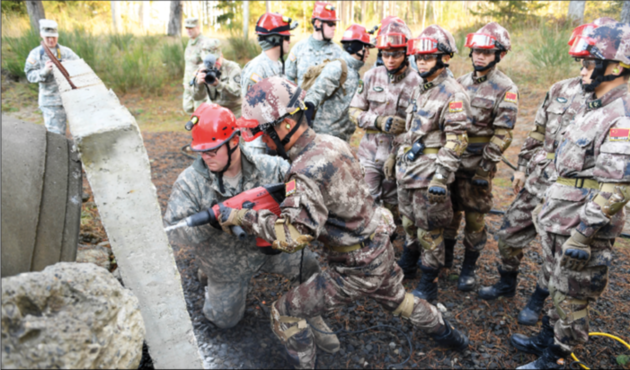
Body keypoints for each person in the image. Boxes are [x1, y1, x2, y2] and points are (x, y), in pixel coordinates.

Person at [222, 76, 468, 368]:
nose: (262, 140)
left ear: (285, 125)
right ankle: (451, 335)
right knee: (400, 301)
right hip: (378, 246)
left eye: (264, 132)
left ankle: (304, 363)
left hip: (354, 268)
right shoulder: (331, 142)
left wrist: (243, 216)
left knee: (283, 311)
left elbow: (292, 236)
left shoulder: (303, 172)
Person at [163, 103, 338, 352]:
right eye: (202, 151)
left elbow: (304, 188)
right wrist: (212, 226)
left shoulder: (271, 167)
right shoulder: (189, 183)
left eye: (212, 150)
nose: (205, 156)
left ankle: (310, 311)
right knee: (223, 321)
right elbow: (176, 232)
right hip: (226, 261)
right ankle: (208, 274)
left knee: (307, 263)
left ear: (234, 141)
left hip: (270, 249)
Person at [481, 18, 617, 327]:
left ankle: (538, 298)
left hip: (574, 193)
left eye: (591, 61)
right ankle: (507, 282)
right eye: (582, 61)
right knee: (508, 234)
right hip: (539, 180)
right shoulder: (560, 89)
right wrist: (521, 169)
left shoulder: (609, 104)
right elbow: (538, 131)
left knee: (553, 252)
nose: (584, 66)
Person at [515, 22, 630, 369]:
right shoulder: (595, 107)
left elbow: (616, 188)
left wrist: (583, 235)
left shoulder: (621, 115)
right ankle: (546, 339)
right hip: (561, 217)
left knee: (572, 295)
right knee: (555, 282)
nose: (582, 70)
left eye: (588, 63)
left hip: (582, 227)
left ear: (616, 66)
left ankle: (557, 355)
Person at [395, 25, 471, 303]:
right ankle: (410, 262)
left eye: (428, 57)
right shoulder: (421, 88)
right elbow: (414, 129)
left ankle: (429, 283)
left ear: (444, 58)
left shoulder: (453, 93)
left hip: (429, 174)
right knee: (409, 222)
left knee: (430, 230)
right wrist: (397, 154)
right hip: (408, 169)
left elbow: (457, 140)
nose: (421, 62)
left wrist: (441, 177)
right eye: (419, 57)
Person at [446, 22, 519, 292]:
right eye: (477, 51)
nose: (479, 56)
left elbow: (503, 134)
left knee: (475, 218)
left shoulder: (505, 88)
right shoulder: (459, 83)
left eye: (487, 52)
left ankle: (468, 269)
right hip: (452, 161)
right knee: (448, 214)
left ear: (500, 55)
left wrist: (484, 168)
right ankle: (445, 262)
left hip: (478, 164)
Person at [349, 18, 420, 219]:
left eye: (396, 55)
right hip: (369, 153)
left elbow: (420, 127)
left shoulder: (417, 82)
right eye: (386, 54)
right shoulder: (371, 76)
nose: (390, 60)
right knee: (367, 200)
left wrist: (397, 150)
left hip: (398, 155)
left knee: (393, 206)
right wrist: (377, 121)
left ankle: (390, 241)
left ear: (407, 53)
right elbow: (354, 111)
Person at [303, 24, 374, 142]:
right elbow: (315, 94)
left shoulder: (353, 70)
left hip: (341, 139)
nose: (368, 53)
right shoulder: (337, 67)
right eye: (366, 48)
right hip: (325, 139)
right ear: (357, 47)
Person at [241, 12, 297, 155]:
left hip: (277, 141)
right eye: (286, 37)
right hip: (260, 144)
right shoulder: (257, 69)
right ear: (274, 39)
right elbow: (253, 111)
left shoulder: (278, 65)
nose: (289, 41)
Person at [24, 19, 79, 136]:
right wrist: (44, 71)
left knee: (80, 133)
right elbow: (29, 75)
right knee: (56, 136)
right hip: (51, 102)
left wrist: (70, 66)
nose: (51, 40)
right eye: (47, 36)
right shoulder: (36, 54)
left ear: (58, 35)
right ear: (41, 35)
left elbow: (81, 70)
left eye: (54, 36)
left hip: (72, 99)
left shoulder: (67, 52)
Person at [286, 1, 343, 86]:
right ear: (318, 23)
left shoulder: (338, 52)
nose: (334, 27)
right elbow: (288, 78)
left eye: (335, 24)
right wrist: (296, 96)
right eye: (330, 24)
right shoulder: (299, 48)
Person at [182, 18, 221, 114]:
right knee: (187, 107)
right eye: (187, 28)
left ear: (198, 27)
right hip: (189, 83)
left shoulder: (205, 43)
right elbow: (189, 64)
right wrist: (185, 81)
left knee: (200, 112)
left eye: (191, 28)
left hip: (199, 83)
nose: (188, 30)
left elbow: (211, 62)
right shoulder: (190, 42)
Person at [192, 44, 243, 117]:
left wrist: (219, 85)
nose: (214, 65)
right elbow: (197, 97)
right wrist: (199, 84)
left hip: (233, 111)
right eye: (209, 61)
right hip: (214, 111)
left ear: (221, 55)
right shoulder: (202, 69)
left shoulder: (233, 68)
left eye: (216, 60)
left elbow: (237, 94)